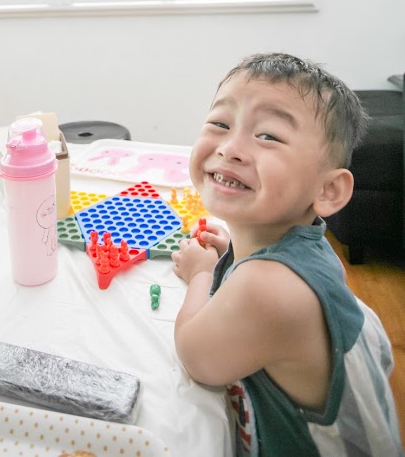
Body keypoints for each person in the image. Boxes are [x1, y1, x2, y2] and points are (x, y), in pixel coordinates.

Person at [172, 52, 403, 456]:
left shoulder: (268, 289)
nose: (230, 148)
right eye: (221, 123)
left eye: (269, 136)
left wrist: (201, 274)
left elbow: (196, 357)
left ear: (328, 190)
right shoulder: (303, 246)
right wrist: (231, 254)